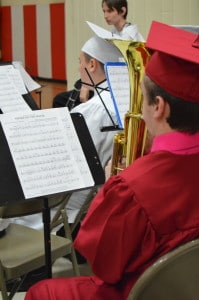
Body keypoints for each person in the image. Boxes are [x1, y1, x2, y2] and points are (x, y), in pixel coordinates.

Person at [24, 21, 199, 300]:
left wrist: (109, 185)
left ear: (159, 107)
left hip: (136, 292)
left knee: (41, 291)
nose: (139, 112)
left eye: (142, 99)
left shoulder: (131, 188)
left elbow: (105, 267)